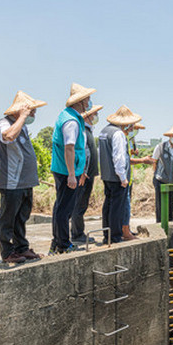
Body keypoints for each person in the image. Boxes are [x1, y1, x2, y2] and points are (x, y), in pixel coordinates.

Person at [0, 91, 47, 263]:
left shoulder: (22, 125)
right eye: (31, 111)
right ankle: (8, 252)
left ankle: (21, 248)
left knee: (21, 218)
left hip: (25, 182)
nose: (33, 114)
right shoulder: (3, 123)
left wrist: (22, 119)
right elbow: (8, 136)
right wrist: (22, 117)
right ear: (20, 110)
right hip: (12, 182)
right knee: (8, 219)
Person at [50, 82, 96, 254]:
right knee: (65, 209)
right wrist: (71, 174)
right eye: (88, 99)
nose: (89, 103)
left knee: (60, 206)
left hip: (65, 168)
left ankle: (57, 241)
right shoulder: (71, 121)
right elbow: (69, 147)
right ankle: (63, 244)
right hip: (67, 171)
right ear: (81, 101)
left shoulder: (67, 115)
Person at [98, 105, 142, 243]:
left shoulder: (104, 131)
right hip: (117, 177)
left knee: (108, 206)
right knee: (117, 208)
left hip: (106, 175)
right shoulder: (118, 134)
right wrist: (123, 178)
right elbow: (119, 158)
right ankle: (115, 236)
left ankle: (107, 234)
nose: (131, 128)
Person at [70, 104, 103, 243]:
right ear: (88, 116)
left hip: (88, 174)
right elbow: (83, 152)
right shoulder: (83, 131)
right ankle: (77, 234)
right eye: (94, 114)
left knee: (82, 204)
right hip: (84, 175)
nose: (96, 116)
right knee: (79, 204)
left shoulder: (89, 130)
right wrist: (83, 171)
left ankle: (78, 232)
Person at [152, 124, 173, 222]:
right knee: (160, 205)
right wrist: (156, 175)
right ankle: (160, 224)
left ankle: (170, 223)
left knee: (171, 204)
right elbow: (154, 161)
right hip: (160, 179)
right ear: (169, 136)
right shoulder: (160, 147)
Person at [123, 122, 150, 236]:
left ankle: (126, 229)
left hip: (130, 177)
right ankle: (123, 231)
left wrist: (133, 152)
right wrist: (142, 160)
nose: (134, 130)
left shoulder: (131, 140)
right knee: (124, 206)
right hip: (123, 178)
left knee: (127, 206)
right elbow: (125, 159)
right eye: (134, 128)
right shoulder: (123, 138)